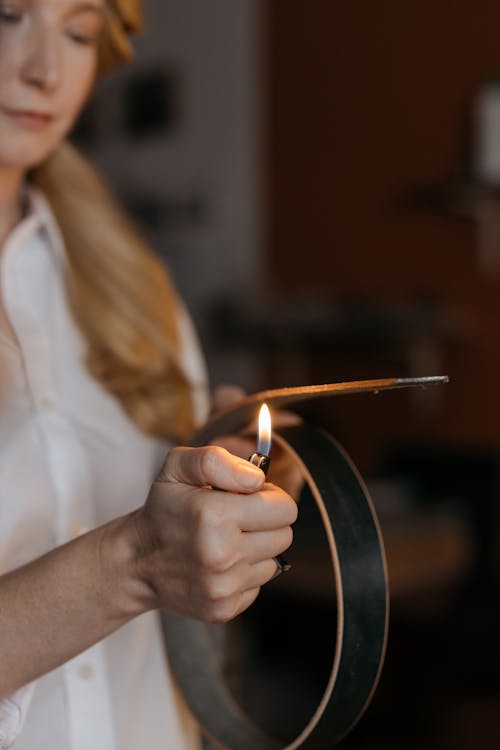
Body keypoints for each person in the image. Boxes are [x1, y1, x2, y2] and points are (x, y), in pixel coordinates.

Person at [0, 1, 298, 748]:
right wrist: (134, 564)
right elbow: (147, 561)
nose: (45, 70)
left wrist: (233, 481)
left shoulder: (135, 289)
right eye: (6, 17)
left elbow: (187, 606)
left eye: (78, 32)